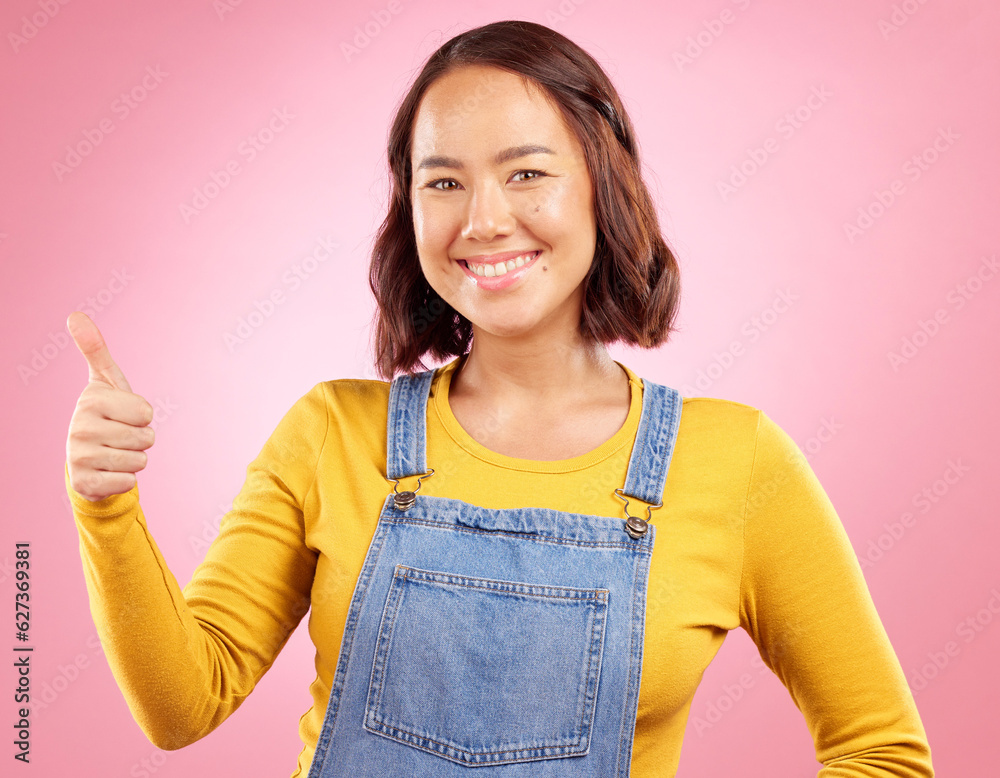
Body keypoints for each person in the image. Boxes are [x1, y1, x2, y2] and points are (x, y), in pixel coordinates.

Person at [64, 19, 934, 778]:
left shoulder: (737, 461)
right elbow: (184, 706)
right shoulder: (332, 432)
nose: (482, 220)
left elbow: (882, 751)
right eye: (443, 182)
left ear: (604, 180)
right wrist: (106, 507)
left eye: (526, 174)